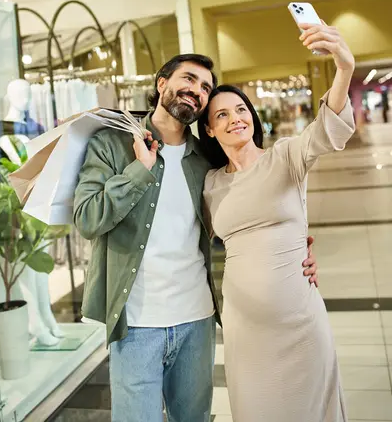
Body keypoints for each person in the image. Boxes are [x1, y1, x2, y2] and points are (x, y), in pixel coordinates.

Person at [74, 53, 319, 422]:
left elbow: (250, 216)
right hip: (137, 325)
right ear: (162, 84)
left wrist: (297, 250)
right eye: (188, 79)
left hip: (197, 320)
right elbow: (87, 218)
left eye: (205, 87)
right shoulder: (112, 144)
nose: (196, 91)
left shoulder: (205, 159)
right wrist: (139, 170)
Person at [198, 21, 355, 422]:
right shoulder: (211, 184)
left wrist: (344, 68)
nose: (235, 119)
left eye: (240, 110)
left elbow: (327, 130)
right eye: (222, 115)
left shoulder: (284, 156)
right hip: (244, 329)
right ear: (210, 129)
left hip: (300, 322)